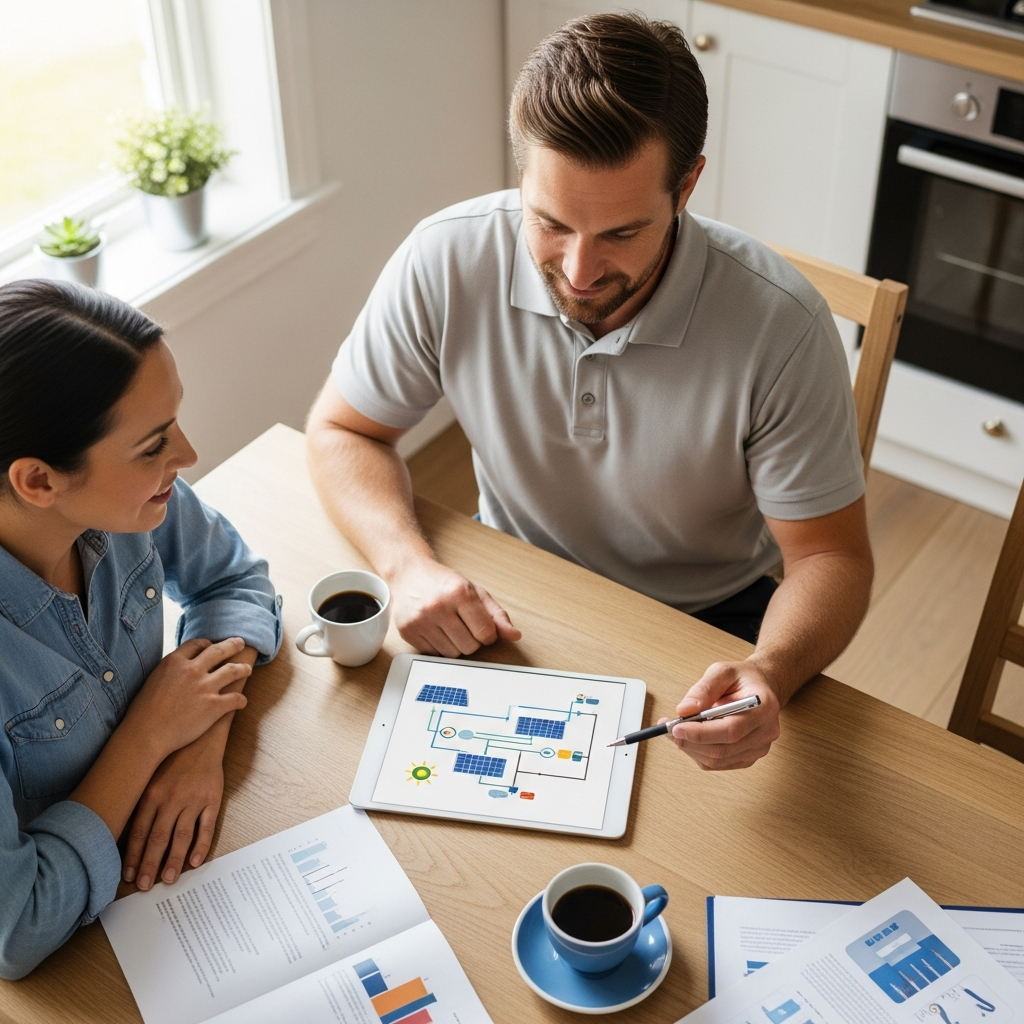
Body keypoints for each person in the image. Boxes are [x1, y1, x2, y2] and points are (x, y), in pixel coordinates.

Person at [306, 12, 873, 772]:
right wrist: (405, 564)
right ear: (521, 180)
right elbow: (344, 431)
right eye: (550, 223)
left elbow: (831, 556)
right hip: (509, 584)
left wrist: (769, 671)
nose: (578, 272)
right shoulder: (445, 258)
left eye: (621, 234)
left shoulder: (785, 327)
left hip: (709, 621)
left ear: (688, 185)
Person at [0, 280, 282, 979]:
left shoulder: (128, 503)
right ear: (38, 481)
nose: (185, 454)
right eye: (154, 444)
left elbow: (236, 581)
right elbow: (17, 928)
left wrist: (200, 739)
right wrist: (150, 734)